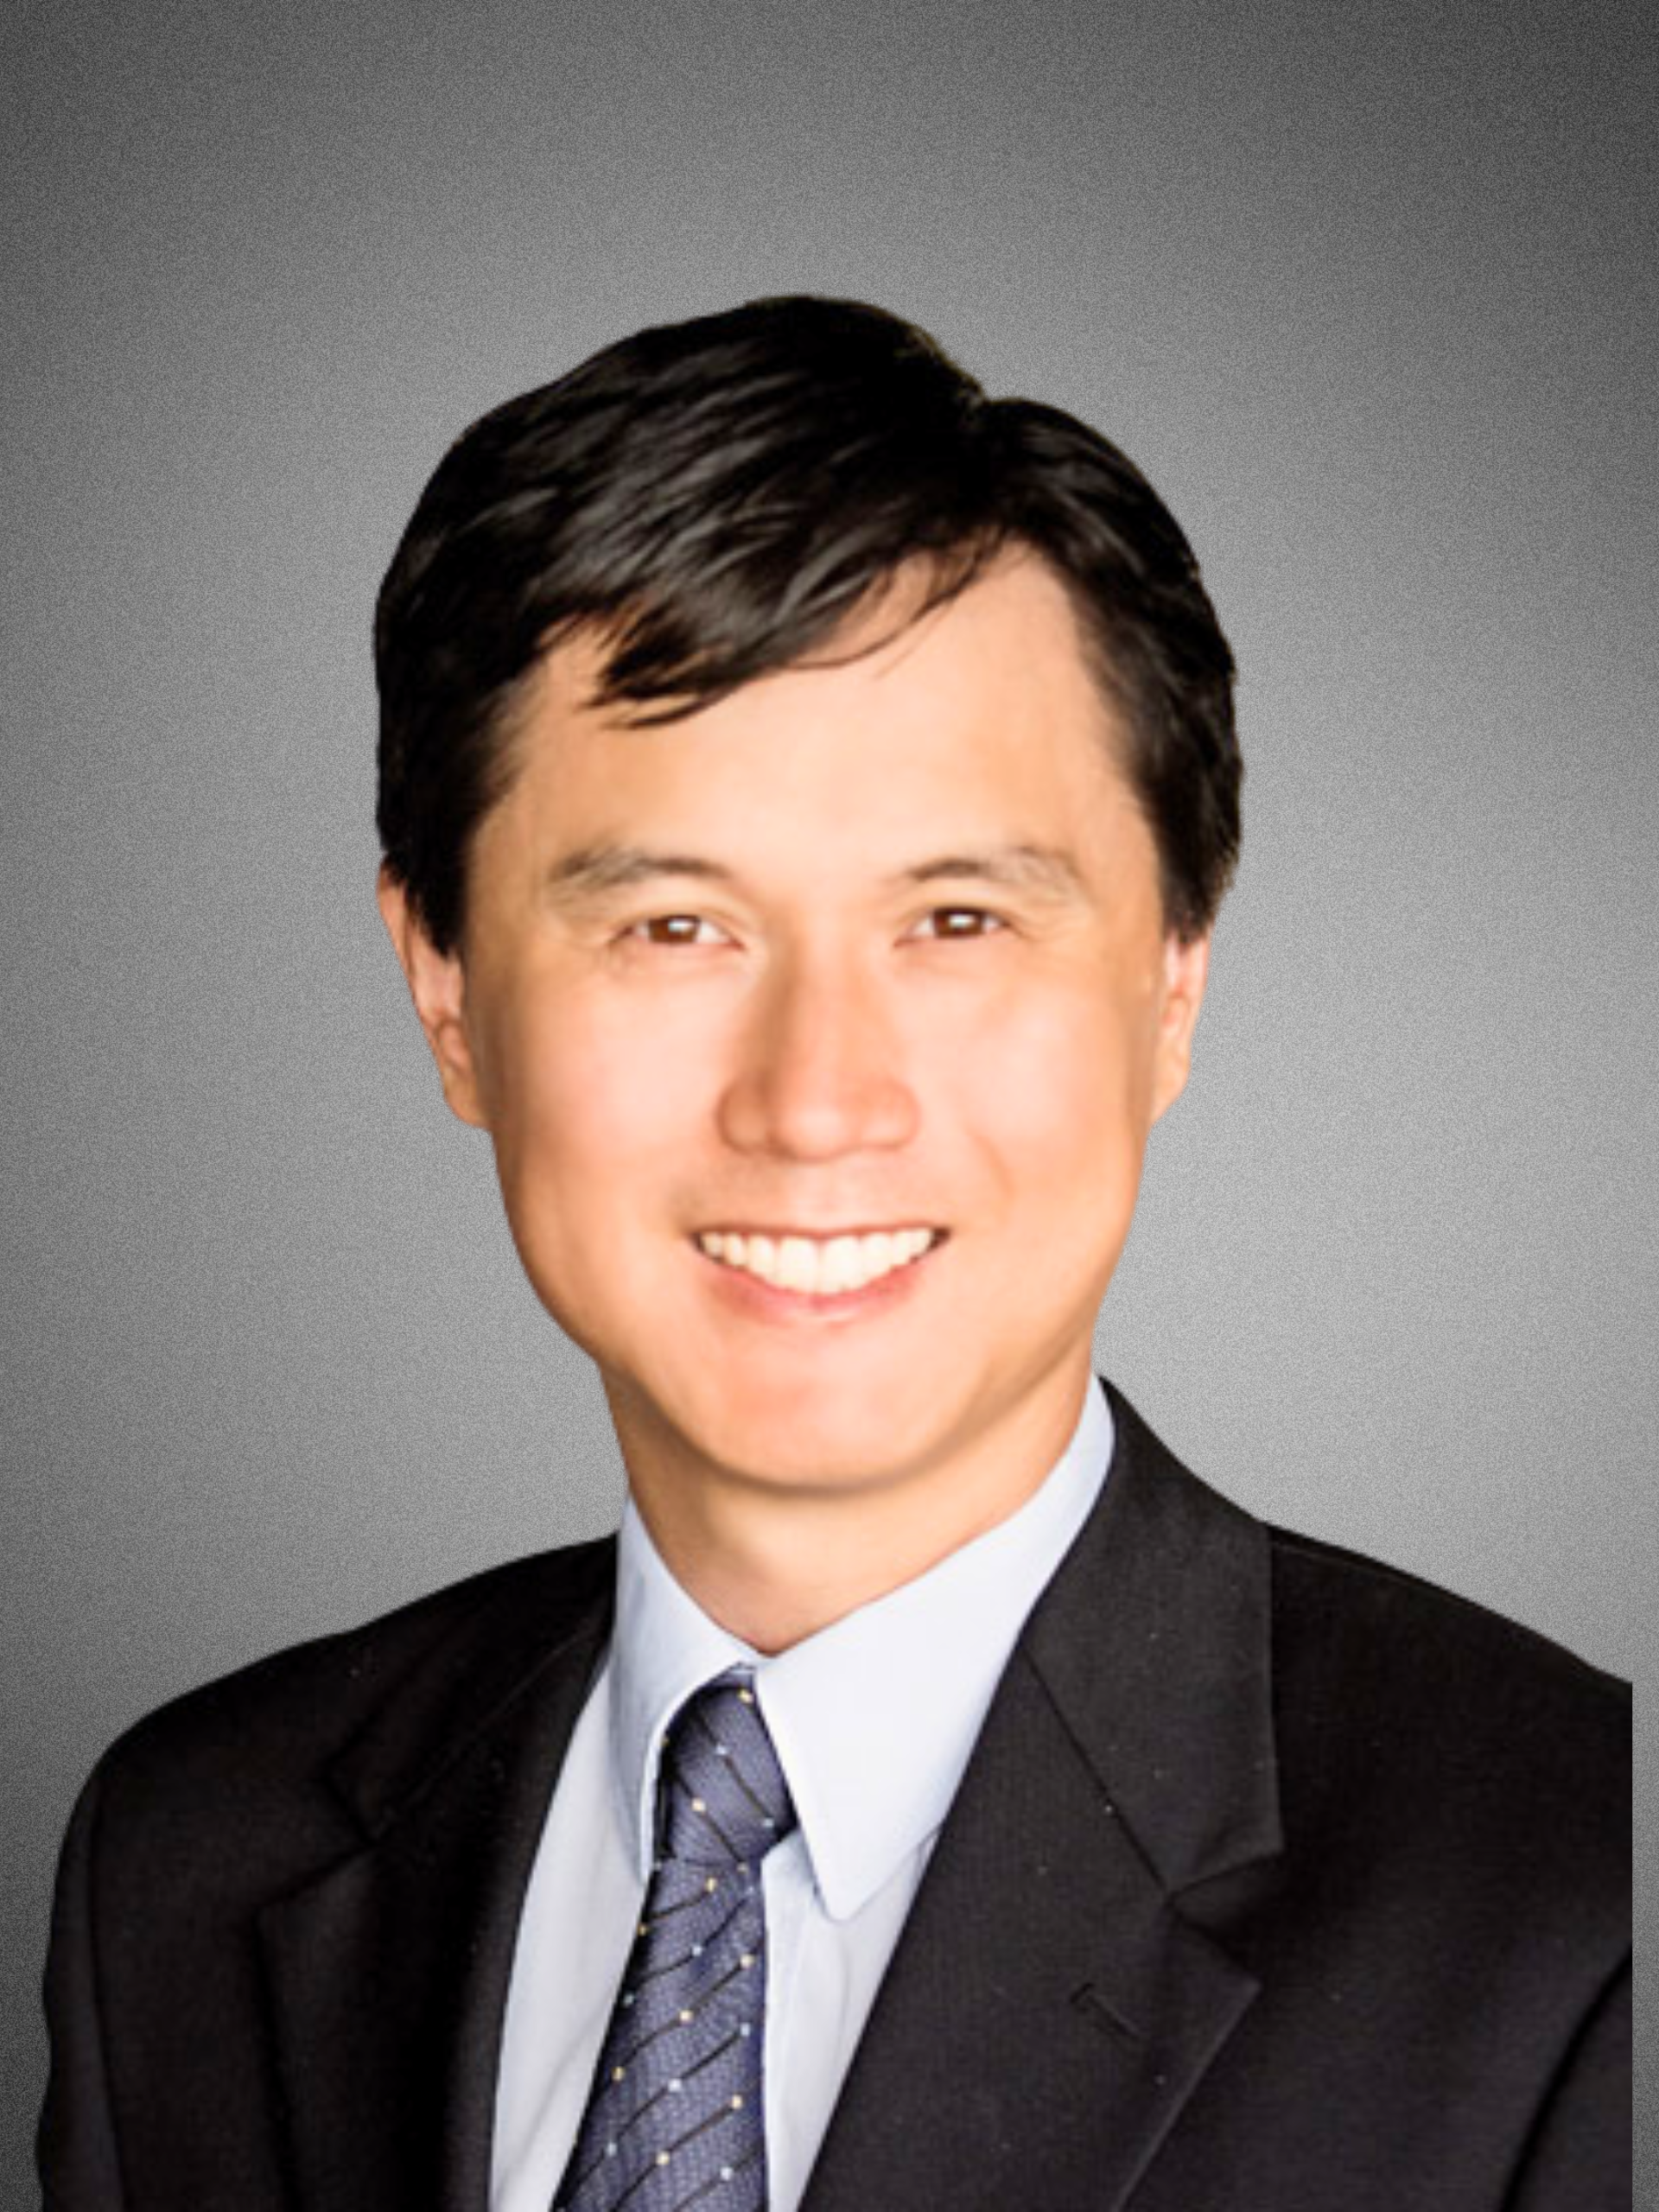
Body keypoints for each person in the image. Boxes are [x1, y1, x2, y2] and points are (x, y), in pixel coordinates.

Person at [39, 297, 1629, 2211]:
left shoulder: (1576, 1898)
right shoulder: (188, 1866)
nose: (814, 1100)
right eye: (673, 929)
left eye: (956, 919)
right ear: (445, 990)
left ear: (1172, 982)